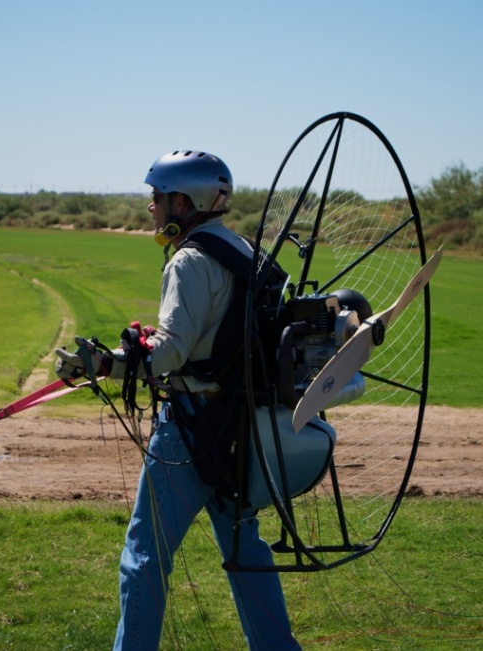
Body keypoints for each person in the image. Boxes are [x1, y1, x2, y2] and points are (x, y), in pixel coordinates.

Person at [55, 150, 301, 650]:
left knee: (144, 554)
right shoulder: (245, 252)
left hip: (189, 430)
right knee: (244, 549)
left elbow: (167, 353)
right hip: (240, 426)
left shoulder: (189, 260)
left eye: (157, 196)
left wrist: (108, 364)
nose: (151, 207)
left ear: (182, 201)